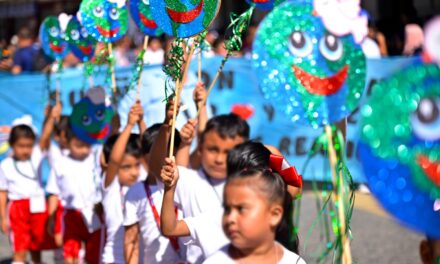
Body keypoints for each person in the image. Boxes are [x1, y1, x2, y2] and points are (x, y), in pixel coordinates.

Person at [153, 114, 250, 263]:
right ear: (200, 148)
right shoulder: (188, 180)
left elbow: (292, 190)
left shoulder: (252, 185)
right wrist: (167, 124)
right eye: (213, 149)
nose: (219, 159)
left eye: (228, 152)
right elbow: (156, 165)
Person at [202, 166, 306, 264]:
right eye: (227, 209)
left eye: (241, 209)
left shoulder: (295, 262)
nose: (230, 218)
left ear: (274, 215)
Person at [123, 102, 185, 264]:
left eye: (171, 153)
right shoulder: (134, 193)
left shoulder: (185, 182)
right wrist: (166, 123)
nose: (166, 159)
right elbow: (131, 241)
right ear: (144, 156)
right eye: (157, 153)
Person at [46, 124, 103, 264]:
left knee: (94, 254)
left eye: (87, 145)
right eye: (79, 145)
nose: (84, 150)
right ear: (67, 141)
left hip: (95, 213)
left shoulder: (96, 160)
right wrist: (52, 218)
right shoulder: (60, 164)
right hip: (71, 216)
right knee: (70, 252)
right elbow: (54, 193)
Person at [0, 124, 57, 263]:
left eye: (29, 145)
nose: (25, 150)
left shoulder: (36, 156)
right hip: (17, 209)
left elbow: (45, 136)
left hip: (37, 206)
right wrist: (3, 218)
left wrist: (50, 116)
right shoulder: (5, 165)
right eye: (21, 145)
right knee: (20, 247)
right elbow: (2, 193)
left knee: (36, 246)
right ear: (12, 144)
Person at [101, 102, 144, 264]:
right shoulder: (110, 186)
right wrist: (129, 125)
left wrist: (140, 123)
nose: (134, 172)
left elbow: (149, 153)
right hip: (114, 260)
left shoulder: (142, 183)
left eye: (136, 165)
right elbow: (114, 159)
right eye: (126, 167)